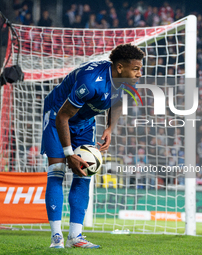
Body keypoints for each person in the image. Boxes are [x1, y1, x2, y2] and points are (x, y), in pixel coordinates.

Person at [41, 43, 144, 248]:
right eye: (136, 69)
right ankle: (56, 237)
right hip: (57, 117)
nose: (139, 74)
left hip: (85, 123)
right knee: (57, 170)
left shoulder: (126, 81)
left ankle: (75, 237)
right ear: (120, 67)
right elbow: (63, 116)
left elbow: (117, 102)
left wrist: (109, 128)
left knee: (85, 173)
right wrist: (69, 153)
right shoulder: (90, 82)